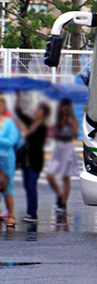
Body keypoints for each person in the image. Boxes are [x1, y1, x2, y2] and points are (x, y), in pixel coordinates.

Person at [15, 92, 50, 223]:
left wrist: (23, 130)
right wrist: (18, 98)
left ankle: (33, 214)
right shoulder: (31, 122)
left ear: (43, 114)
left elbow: (35, 140)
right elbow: (19, 113)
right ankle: (30, 213)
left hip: (35, 161)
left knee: (31, 186)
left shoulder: (42, 127)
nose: (36, 111)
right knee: (27, 186)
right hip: (26, 161)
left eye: (39, 110)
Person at [45, 99, 79, 212]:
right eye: (63, 106)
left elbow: (75, 135)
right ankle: (59, 195)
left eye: (67, 106)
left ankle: (63, 204)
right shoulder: (58, 121)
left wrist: (72, 124)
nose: (65, 108)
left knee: (66, 177)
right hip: (58, 148)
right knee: (49, 175)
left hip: (67, 148)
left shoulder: (73, 120)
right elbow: (52, 134)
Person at [0, 96, 21, 228]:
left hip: (6, 158)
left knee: (7, 186)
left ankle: (11, 214)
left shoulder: (9, 123)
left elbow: (12, 141)